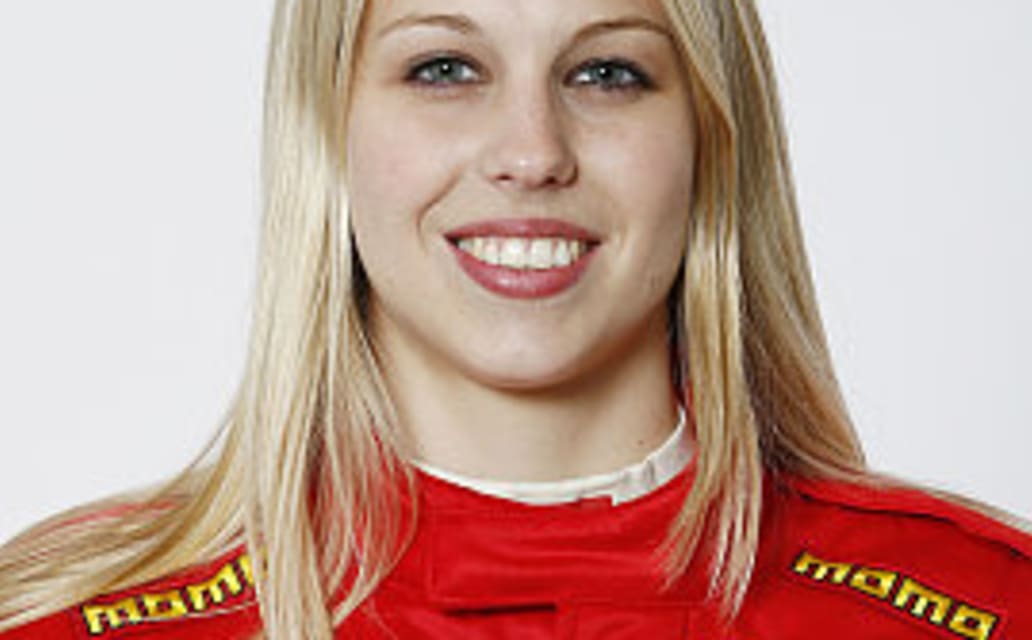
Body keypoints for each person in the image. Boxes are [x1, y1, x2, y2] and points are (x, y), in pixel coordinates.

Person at [0, 0, 1029, 638]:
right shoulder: (66, 626)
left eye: (607, 73)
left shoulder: (983, 610)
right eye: (445, 69)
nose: (532, 152)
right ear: (327, 126)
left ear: (714, 135)